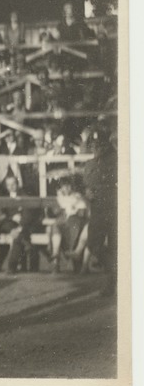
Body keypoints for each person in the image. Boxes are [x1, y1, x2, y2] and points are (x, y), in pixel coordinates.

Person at [82, 121, 118, 295]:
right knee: (93, 243)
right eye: (93, 145)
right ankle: (116, 270)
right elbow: (87, 185)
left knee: (114, 246)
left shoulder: (117, 160)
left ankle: (112, 285)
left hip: (115, 209)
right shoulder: (90, 164)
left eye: (99, 144)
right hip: (98, 211)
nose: (96, 148)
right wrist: (86, 192)